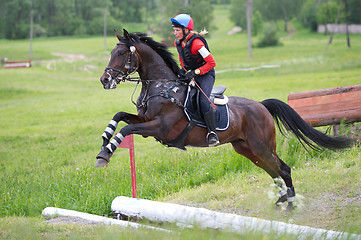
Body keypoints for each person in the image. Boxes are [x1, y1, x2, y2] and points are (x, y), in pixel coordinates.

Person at [171, 14, 219, 147]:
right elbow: (182, 59)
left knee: (203, 102)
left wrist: (196, 72)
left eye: (177, 30)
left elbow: (212, 63)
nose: (175, 33)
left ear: (186, 30)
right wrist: (184, 71)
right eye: (174, 30)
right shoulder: (178, 43)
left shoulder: (197, 43)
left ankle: (212, 133)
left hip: (206, 75)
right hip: (192, 74)